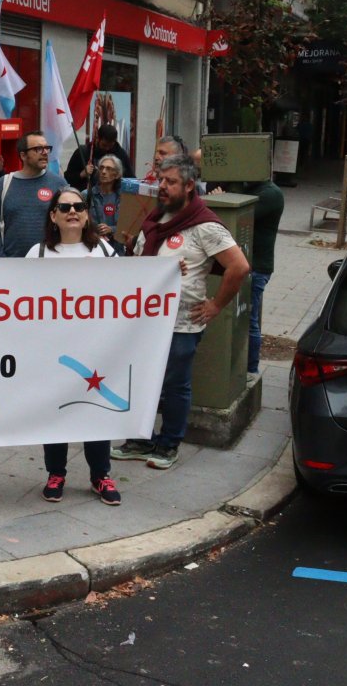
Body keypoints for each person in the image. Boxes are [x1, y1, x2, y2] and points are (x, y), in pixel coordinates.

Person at [112, 155, 250, 469]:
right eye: (161, 179)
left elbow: (239, 267)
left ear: (189, 186)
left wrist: (215, 305)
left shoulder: (205, 225)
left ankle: (169, 444)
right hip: (145, 320)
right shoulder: (155, 218)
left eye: (170, 181)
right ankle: (140, 440)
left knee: (175, 384)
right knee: (142, 379)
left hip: (181, 323)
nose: (162, 186)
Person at [25, 187, 121, 505]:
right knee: (56, 411)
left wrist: (172, 271)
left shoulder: (104, 250)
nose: (72, 212)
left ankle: (100, 475)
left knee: (96, 411)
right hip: (52, 350)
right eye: (64, 207)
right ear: (53, 216)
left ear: (86, 214)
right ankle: (56, 473)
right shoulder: (38, 253)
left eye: (79, 206)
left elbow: (131, 287)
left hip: (96, 347)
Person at [0, 131, 69, 258]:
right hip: (11, 264)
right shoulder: (3, 184)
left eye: (46, 148)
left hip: (50, 263)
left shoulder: (59, 184)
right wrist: (1, 258)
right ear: (23, 155)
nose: (45, 152)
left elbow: (69, 223)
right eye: (38, 149)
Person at [233, 179, 284, 377]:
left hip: (256, 267)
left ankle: (251, 370)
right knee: (246, 318)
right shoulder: (253, 189)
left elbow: (240, 217)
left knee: (249, 320)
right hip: (250, 264)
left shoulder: (270, 194)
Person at [64, 124, 134, 189]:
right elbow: (67, 178)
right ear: (97, 139)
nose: (107, 149)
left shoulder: (120, 154)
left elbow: (131, 179)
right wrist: (81, 174)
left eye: (110, 146)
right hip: (86, 195)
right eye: (104, 145)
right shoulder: (83, 153)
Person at [89, 154, 125, 255]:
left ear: (117, 175)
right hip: (94, 249)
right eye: (101, 168)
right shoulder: (87, 195)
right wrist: (94, 231)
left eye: (109, 169)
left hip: (117, 251)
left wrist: (111, 229)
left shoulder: (124, 198)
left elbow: (128, 228)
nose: (104, 172)